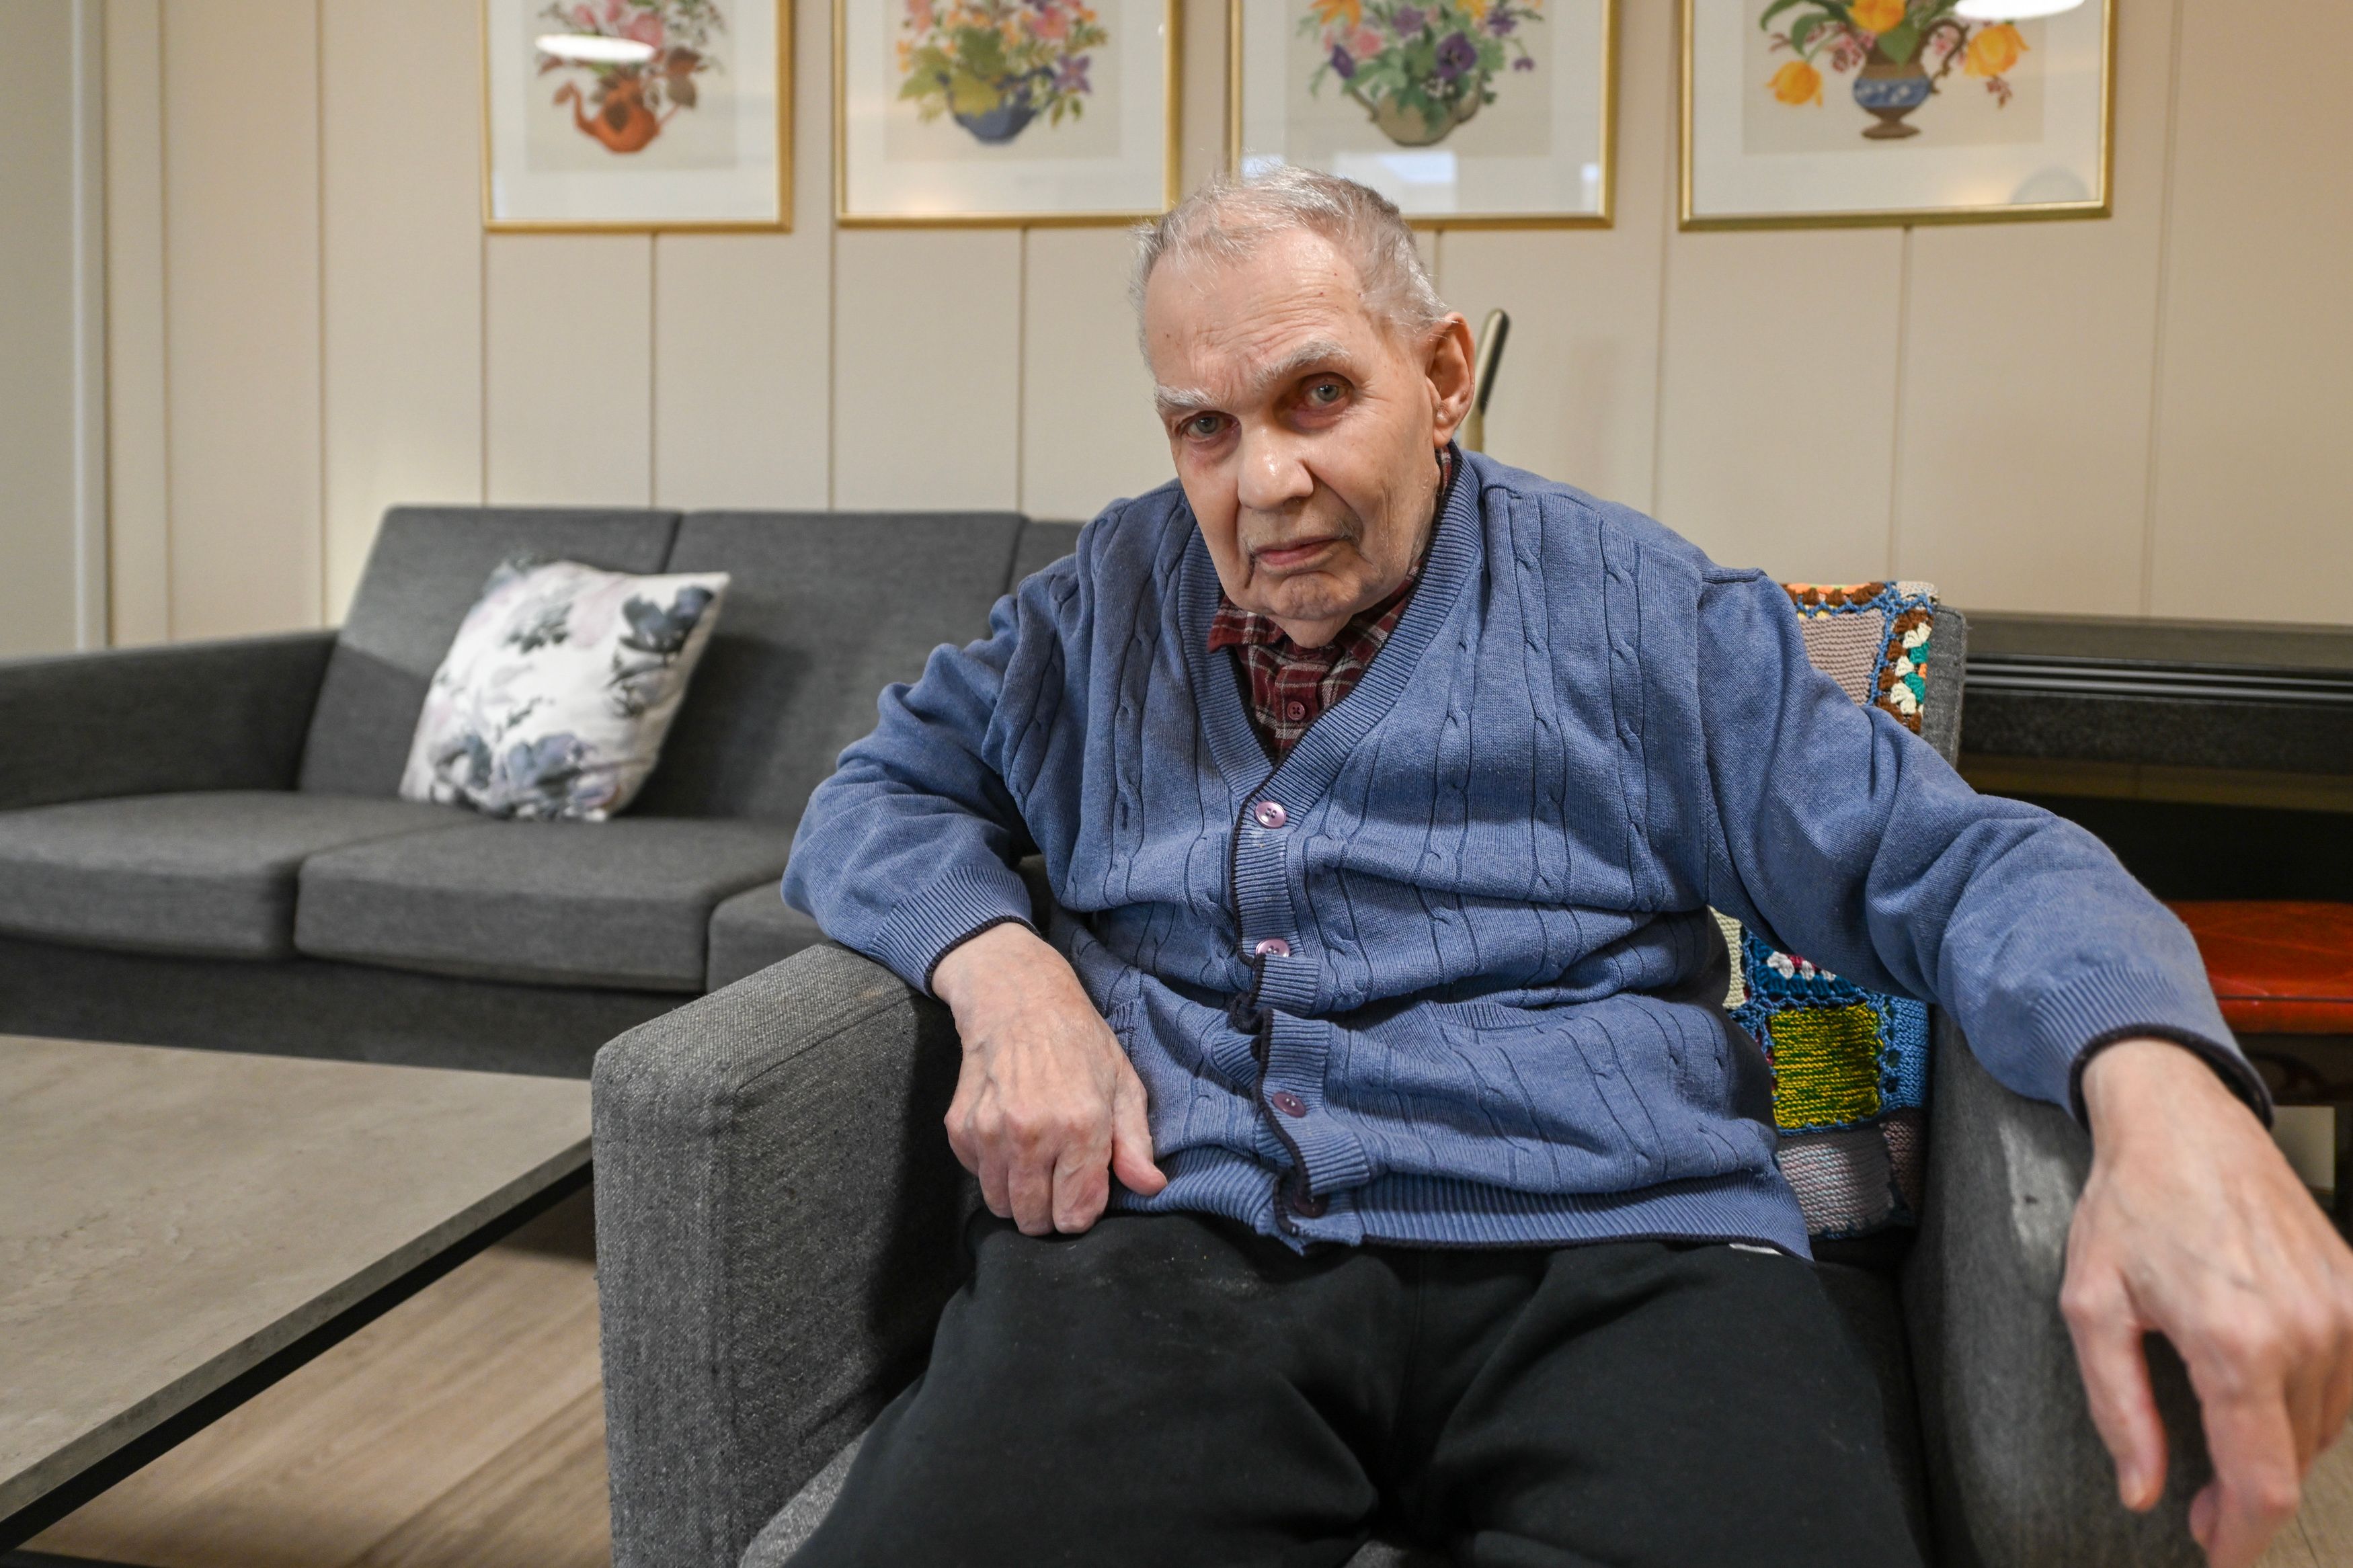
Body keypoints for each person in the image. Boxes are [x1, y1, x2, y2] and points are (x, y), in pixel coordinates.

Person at [779, 168, 2353, 1568]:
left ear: (1441, 376)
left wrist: (2165, 1091)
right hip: (1173, 1246)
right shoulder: (1096, 603)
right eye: (1206, 425)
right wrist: (1008, 978)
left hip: (1617, 1250)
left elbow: (1953, 860)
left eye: (1316, 395)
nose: (1260, 481)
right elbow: (874, 798)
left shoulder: (1638, 609)